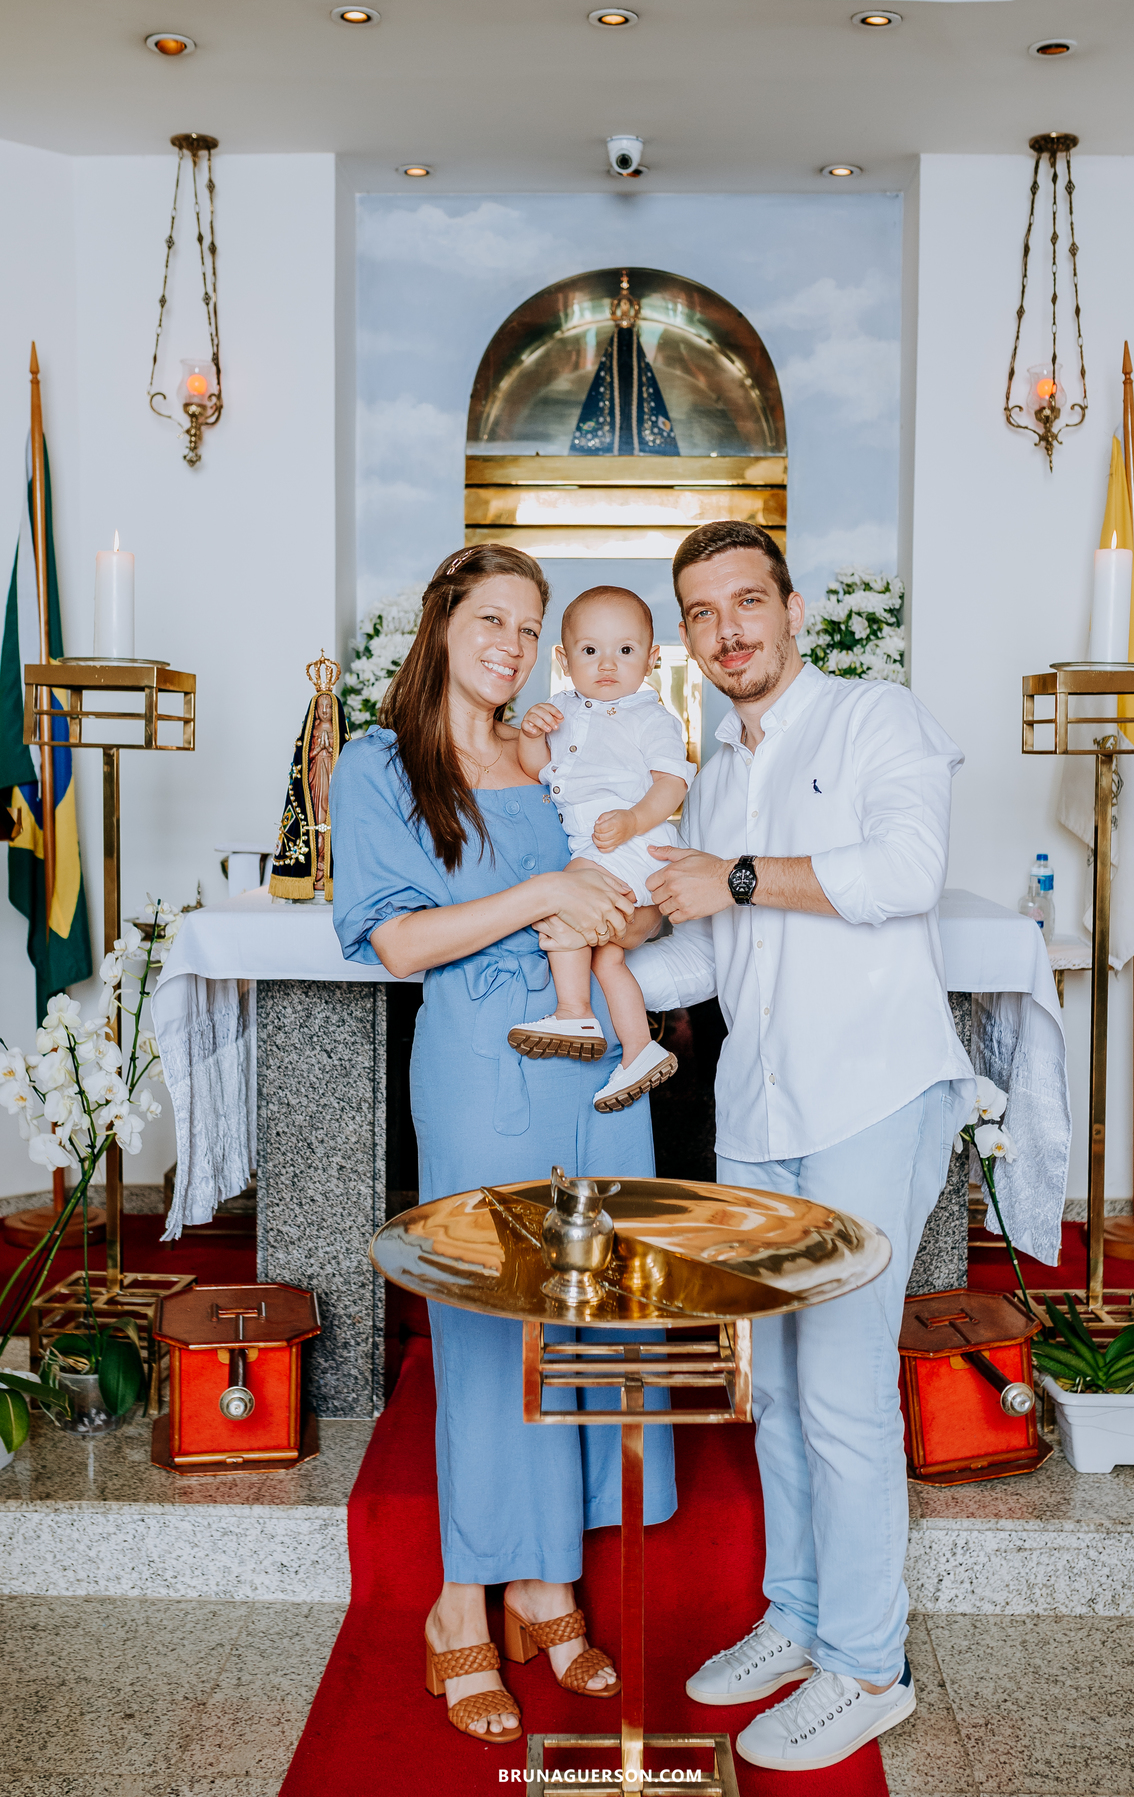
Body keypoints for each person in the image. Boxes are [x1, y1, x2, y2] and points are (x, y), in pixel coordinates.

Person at [624, 519, 975, 1775]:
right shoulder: (717, 768)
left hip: (870, 1097)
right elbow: (709, 951)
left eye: (746, 602)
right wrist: (593, 941)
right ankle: (803, 1613)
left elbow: (908, 872)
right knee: (768, 1388)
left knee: (838, 1389)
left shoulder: (876, 718)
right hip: (760, 1113)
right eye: (703, 613)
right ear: (688, 637)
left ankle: (868, 1665)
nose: (728, 630)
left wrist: (739, 877)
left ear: (792, 606)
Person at [330, 544, 676, 1748]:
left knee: (585, 1319)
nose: (515, 646)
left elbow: (617, 892)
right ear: (442, 620)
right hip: (486, 1063)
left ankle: (545, 1583)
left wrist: (616, 907)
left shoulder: (551, 750)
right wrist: (545, 899)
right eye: (495, 619)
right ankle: (459, 1602)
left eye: (531, 629)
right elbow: (395, 945)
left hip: (596, 1073)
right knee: (490, 1327)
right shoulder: (380, 764)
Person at [512, 584, 692, 1112]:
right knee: (608, 957)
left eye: (626, 650)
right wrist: (529, 733)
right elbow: (534, 770)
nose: (608, 664)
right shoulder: (561, 709)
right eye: (591, 651)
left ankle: (572, 1010)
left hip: (633, 845)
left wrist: (636, 816)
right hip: (603, 847)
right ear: (566, 660)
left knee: (561, 906)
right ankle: (638, 1048)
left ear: (653, 659)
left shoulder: (651, 718)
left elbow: (672, 782)